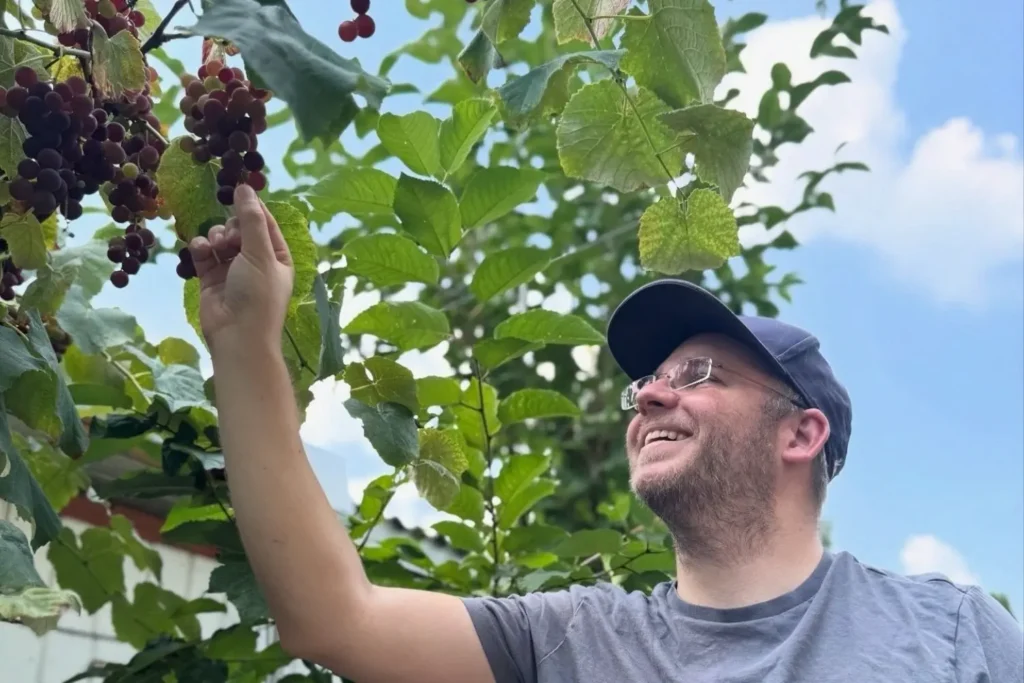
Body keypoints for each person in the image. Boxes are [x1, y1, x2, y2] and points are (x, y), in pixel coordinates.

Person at [190, 185, 1023, 683]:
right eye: (646, 381)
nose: (651, 395)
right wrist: (244, 348)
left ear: (801, 432)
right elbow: (334, 618)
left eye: (697, 374)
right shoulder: (571, 641)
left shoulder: (947, 634)